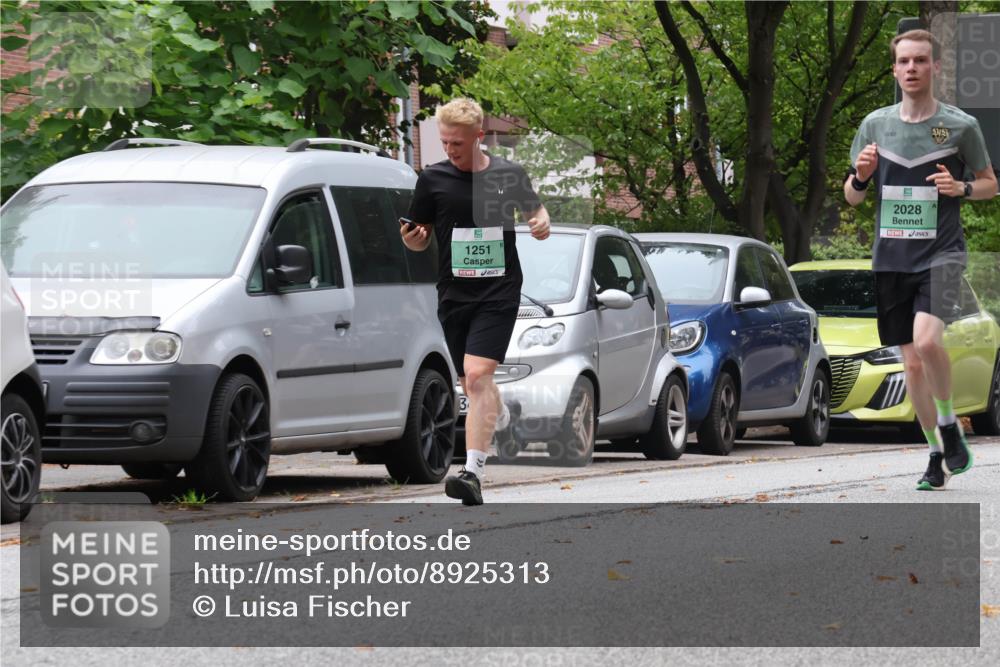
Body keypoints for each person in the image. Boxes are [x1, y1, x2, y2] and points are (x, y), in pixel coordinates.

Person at [844, 29, 998, 491]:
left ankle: (950, 423)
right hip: (891, 257)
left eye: (921, 61)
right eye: (904, 61)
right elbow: (851, 197)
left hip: (942, 252)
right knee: (911, 365)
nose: (912, 68)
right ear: (894, 69)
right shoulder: (875, 126)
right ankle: (935, 453)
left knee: (928, 343)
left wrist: (963, 188)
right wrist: (862, 176)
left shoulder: (960, 126)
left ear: (934, 68)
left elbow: (992, 182)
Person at [402, 98, 551, 505]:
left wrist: (540, 222)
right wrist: (413, 240)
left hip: (498, 291)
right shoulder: (432, 179)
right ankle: (497, 414)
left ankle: (471, 473)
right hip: (454, 293)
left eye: (458, 144)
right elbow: (418, 233)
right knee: (471, 382)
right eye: (445, 142)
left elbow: (538, 213)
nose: (450, 150)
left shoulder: (508, 173)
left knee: (478, 374)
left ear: (479, 138)